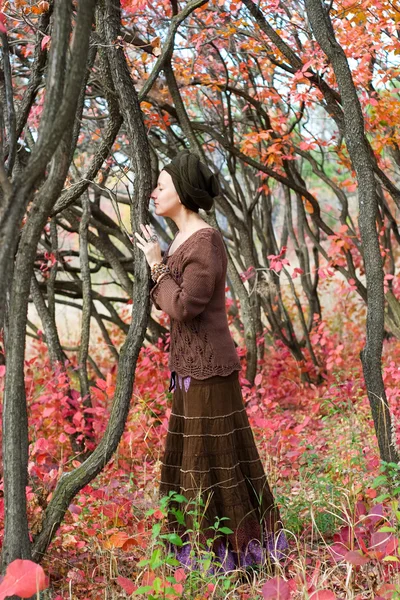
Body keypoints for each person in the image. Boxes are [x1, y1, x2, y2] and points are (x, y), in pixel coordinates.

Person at [134, 150, 288, 571]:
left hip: (210, 372)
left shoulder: (206, 241)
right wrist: (160, 261)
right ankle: (201, 552)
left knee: (216, 462)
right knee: (195, 461)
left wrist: (155, 266)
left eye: (161, 186)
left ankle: (237, 555)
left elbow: (184, 306)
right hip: (187, 371)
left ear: (182, 193)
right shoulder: (183, 239)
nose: (153, 192)